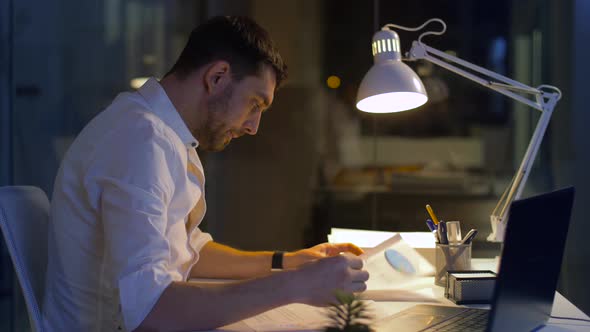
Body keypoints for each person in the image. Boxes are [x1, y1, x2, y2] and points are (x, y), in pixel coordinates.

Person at [42, 16, 369, 332]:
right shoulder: (140, 139)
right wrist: (296, 286)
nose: (254, 127)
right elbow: (149, 309)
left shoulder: (162, 134)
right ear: (217, 77)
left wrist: (286, 262)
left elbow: (187, 251)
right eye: (255, 104)